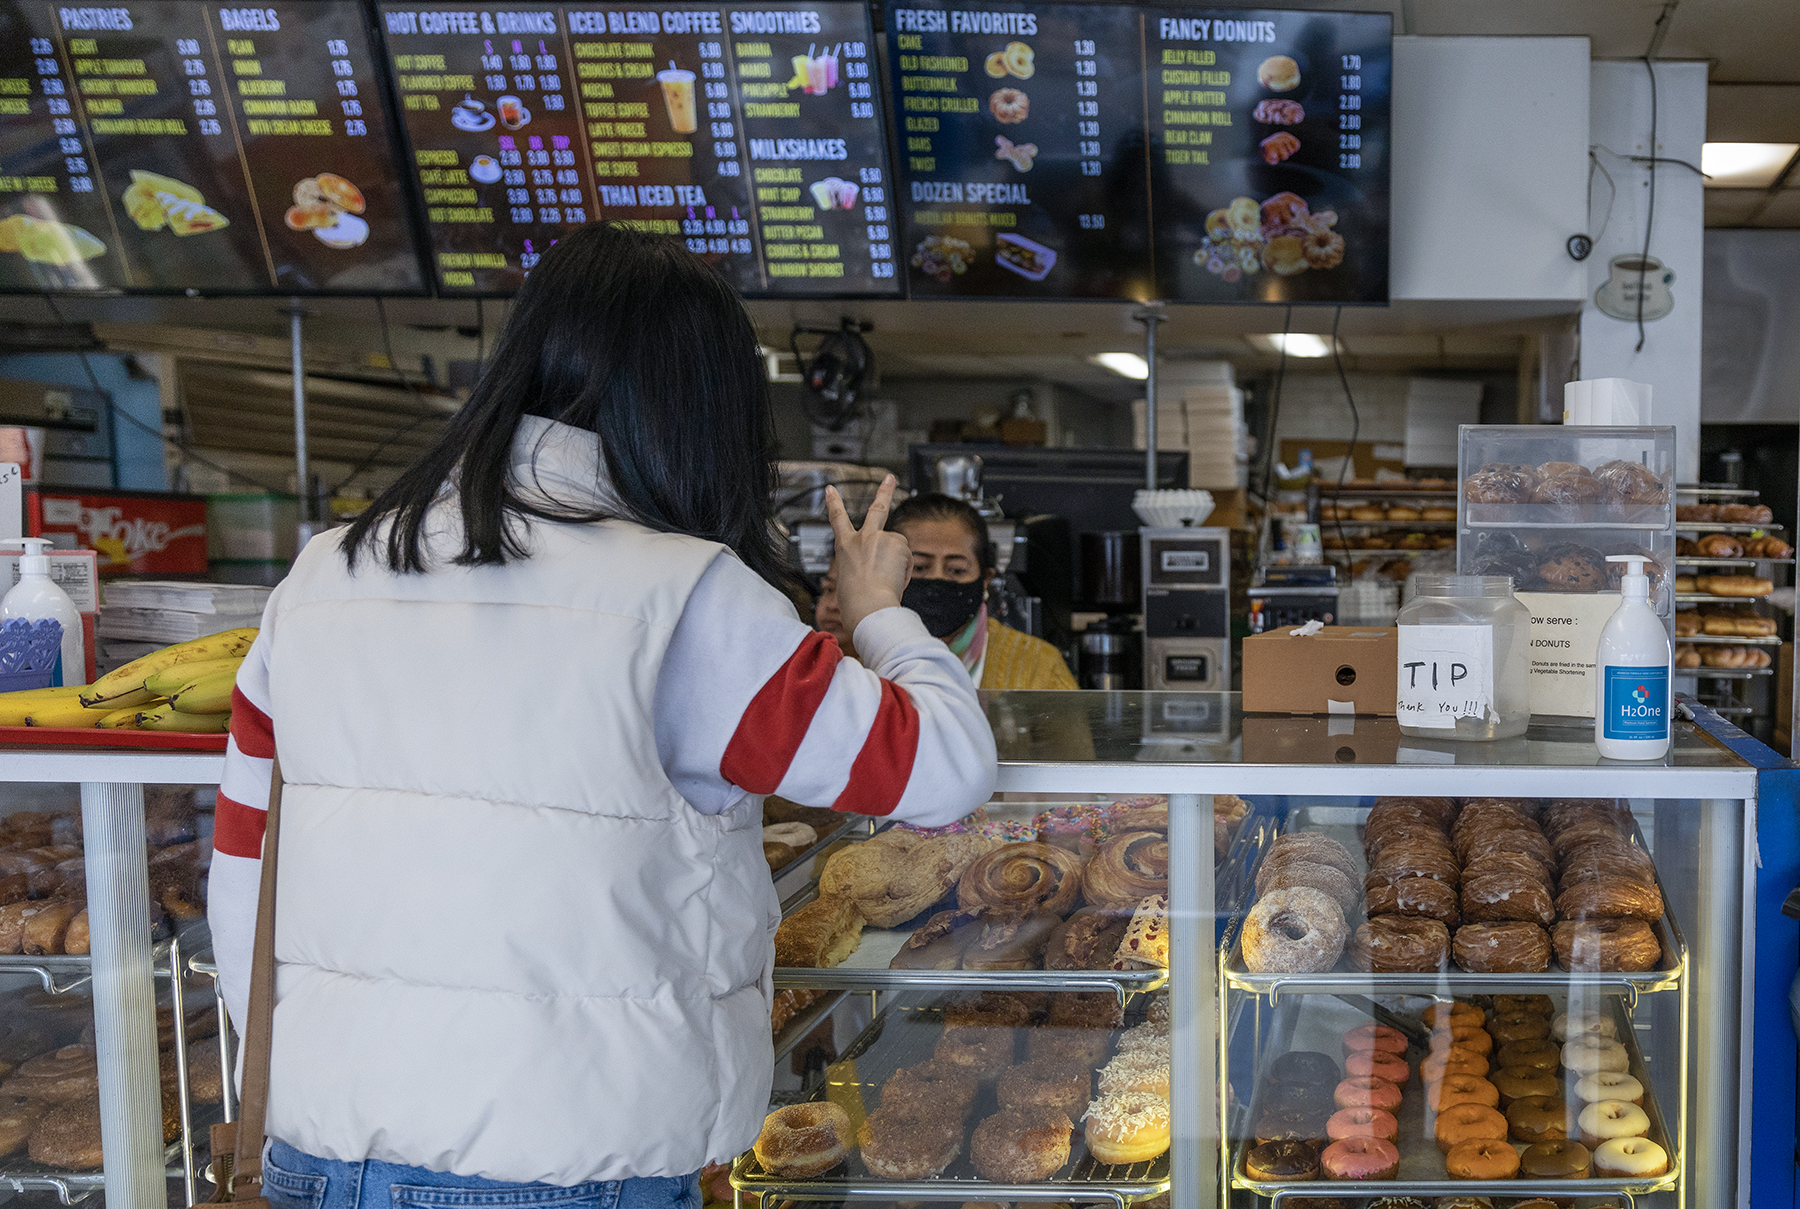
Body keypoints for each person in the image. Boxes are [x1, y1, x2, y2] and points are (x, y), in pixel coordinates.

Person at [206, 224, 997, 1207]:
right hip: (570, 1169)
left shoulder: (325, 574)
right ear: (705, 410)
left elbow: (246, 864)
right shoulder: (692, 602)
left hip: (318, 1158)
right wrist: (880, 609)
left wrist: (322, 1075)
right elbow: (944, 770)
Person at [886, 492, 1079, 690]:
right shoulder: (856, 660)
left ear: (986, 579)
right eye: (919, 567)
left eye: (956, 570)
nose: (938, 578)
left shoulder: (1041, 667)